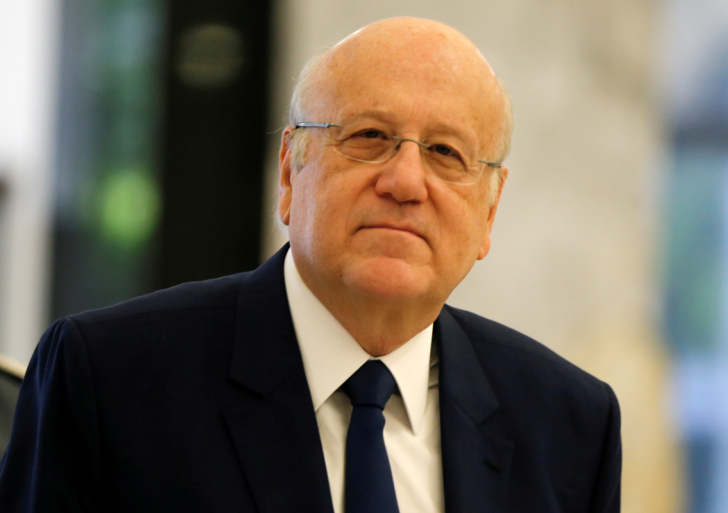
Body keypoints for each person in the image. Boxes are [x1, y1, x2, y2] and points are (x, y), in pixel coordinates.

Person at [0, 17, 621, 513]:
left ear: (489, 211)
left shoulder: (569, 426)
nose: (406, 182)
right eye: (370, 136)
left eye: (444, 151)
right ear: (289, 173)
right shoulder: (108, 378)